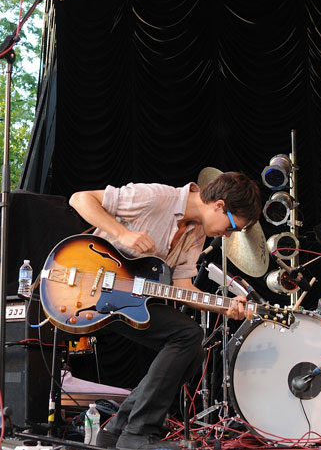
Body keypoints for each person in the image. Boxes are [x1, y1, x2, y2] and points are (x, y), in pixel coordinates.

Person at [69, 172, 262, 450]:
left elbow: (182, 285)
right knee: (187, 334)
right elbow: (80, 199)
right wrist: (123, 233)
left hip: (127, 303)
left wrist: (224, 306)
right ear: (219, 205)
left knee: (192, 349)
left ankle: (117, 430)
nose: (227, 235)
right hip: (88, 292)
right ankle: (138, 432)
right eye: (231, 226)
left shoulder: (196, 233)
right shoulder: (156, 197)